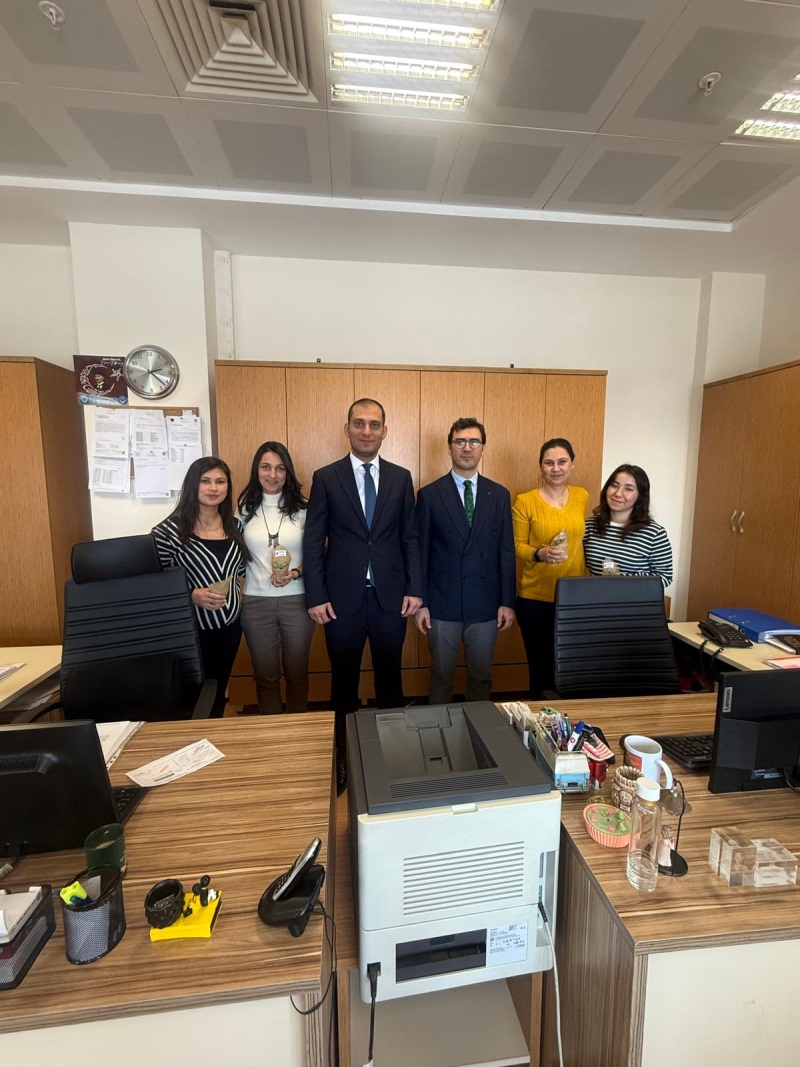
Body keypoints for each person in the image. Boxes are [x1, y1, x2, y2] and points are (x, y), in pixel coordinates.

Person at [303, 398, 422, 791]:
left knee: (391, 680)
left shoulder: (401, 478)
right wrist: (315, 595)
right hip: (341, 600)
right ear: (348, 429)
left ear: (385, 430)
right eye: (359, 423)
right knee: (343, 683)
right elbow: (313, 539)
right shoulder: (326, 477)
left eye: (374, 424)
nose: (366, 431)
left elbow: (410, 537)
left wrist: (415, 589)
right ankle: (343, 760)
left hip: (391, 597)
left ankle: (393, 762)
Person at [415, 417, 516, 704]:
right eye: (460, 441)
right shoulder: (429, 495)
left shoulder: (499, 494)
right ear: (449, 447)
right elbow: (420, 554)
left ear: (483, 447)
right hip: (441, 603)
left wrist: (507, 601)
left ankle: (479, 729)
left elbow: (506, 551)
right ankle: (437, 729)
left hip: (485, 604)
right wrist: (421, 603)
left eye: (474, 441)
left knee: (481, 676)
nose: (467, 448)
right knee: (440, 675)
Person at [152, 456, 249, 718]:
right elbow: (153, 584)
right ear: (193, 485)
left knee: (217, 691)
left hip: (230, 628)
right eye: (206, 481)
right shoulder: (169, 532)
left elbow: (240, 572)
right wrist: (191, 595)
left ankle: (212, 736)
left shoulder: (235, 526)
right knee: (192, 697)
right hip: (191, 629)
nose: (213, 488)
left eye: (220, 481)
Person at [237, 441, 316, 715]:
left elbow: (318, 553)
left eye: (280, 468)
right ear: (256, 470)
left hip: (298, 599)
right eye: (266, 467)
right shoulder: (243, 510)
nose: (273, 475)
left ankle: (297, 729)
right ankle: (271, 729)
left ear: (288, 472)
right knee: (265, 675)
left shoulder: (304, 509)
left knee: (297, 671)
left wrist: (295, 572)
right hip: (256, 602)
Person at [512, 438, 589, 699]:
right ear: (541, 466)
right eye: (549, 463)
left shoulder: (581, 496)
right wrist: (540, 553)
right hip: (536, 598)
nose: (556, 468)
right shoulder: (525, 501)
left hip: (574, 597)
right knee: (541, 666)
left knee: (570, 665)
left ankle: (569, 719)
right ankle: (539, 719)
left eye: (562, 462)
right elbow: (516, 546)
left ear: (572, 464)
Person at [583, 464, 673, 587]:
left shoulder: (654, 533)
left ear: (640, 496)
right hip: (593, 597)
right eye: (614, 486)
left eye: (628, 489)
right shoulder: (589, 526)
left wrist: (622, 580)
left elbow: (665, 577)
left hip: (633, 598)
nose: (618, 493)